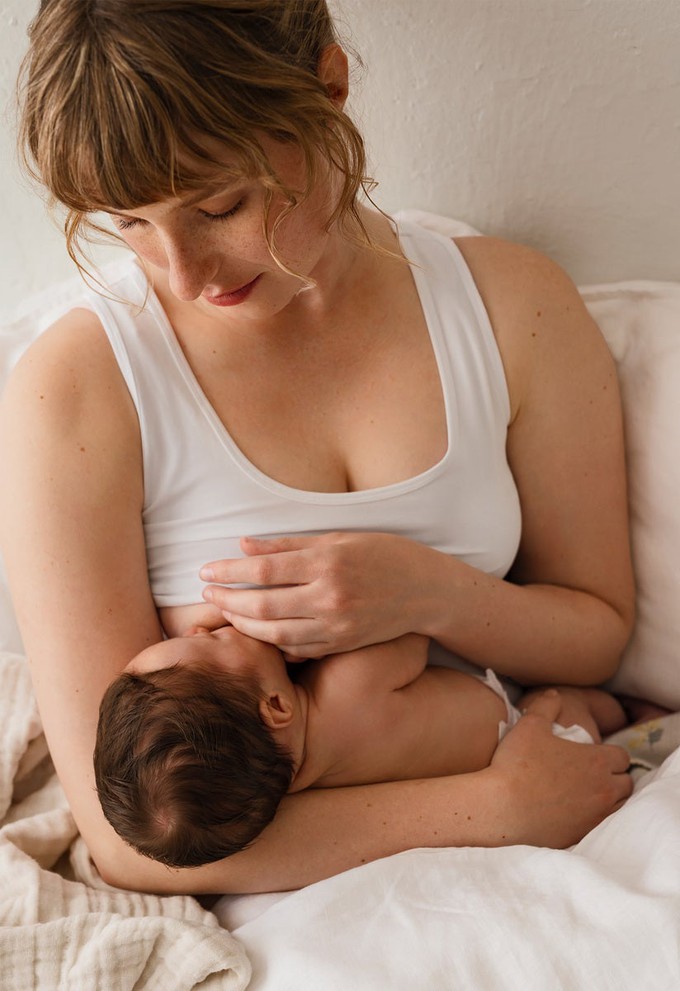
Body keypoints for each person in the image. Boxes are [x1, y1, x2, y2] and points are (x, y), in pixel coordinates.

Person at [0, 0, 634, 896]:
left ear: (328, 89)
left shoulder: (513, 310)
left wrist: (428, 591)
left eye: (219, 204)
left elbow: (598, 636)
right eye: (129, 223)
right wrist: (497, 809)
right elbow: (130, 836)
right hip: (344, 874)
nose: (183, 274)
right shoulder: (75, 390)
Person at [94, 624, 626, 868]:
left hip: (490, 762)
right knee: (570, 703)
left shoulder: (295, 789)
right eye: (212, 640)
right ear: (275, 707)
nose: (213, 626)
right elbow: (410, 635)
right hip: (528, 734)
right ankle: (626, 714)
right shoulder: (350, 684)